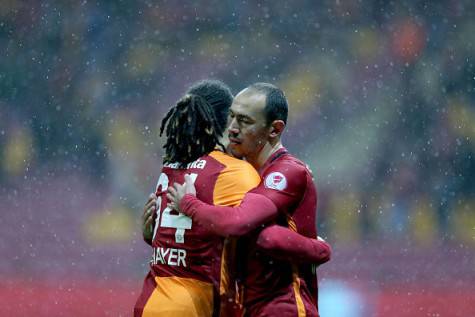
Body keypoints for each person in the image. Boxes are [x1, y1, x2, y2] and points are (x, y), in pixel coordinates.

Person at [135, 80, 330, 317]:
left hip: (278, 307)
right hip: (212, 306)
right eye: (232, 118)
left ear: (275, 129)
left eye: (244, 121)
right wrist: (318, 248)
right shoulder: (234, 171)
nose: (234, 128)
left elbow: (242, 228)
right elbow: (256, 234)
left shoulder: (174, 168)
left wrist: (157, 234)